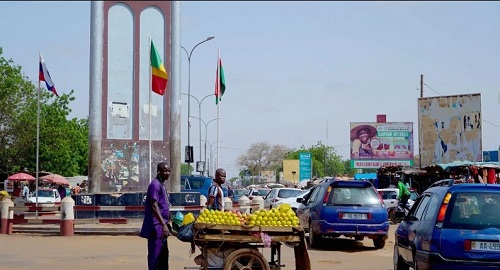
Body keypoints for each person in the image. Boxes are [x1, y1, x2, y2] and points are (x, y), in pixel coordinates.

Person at [140, 162, 171, 270]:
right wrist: (163, 224)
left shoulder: (162, 185)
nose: (168, 173)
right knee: (155, 254)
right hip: (156, 226)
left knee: (164, 255)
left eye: (169, 171)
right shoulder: (155, 185)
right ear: (159, 171)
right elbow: (154, 206)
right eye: (165, 171)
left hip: (162, 226)